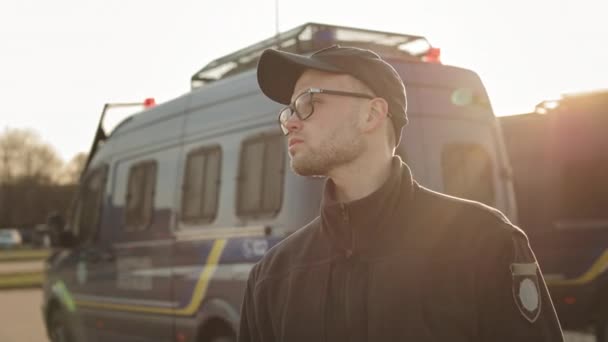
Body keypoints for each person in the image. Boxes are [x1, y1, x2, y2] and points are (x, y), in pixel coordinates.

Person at [238, 45, 564, 341]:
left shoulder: (486, 243)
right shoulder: (273, 277)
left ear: (372, 114)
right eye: (289, 111)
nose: (291, 122)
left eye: (309, 102)